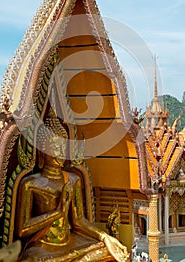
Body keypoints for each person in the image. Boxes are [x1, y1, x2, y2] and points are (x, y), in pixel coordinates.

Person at [15, 109, 128, 261]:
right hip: (42, 247)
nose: (61, 153)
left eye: (64, 147)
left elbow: (78, 220)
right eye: (55, 147)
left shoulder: (72, 180)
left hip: (70, 243)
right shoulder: (30, 184)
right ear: (42, 152)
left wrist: (105, 237)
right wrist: (58, 212)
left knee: (113, 252)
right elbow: (22, 230)